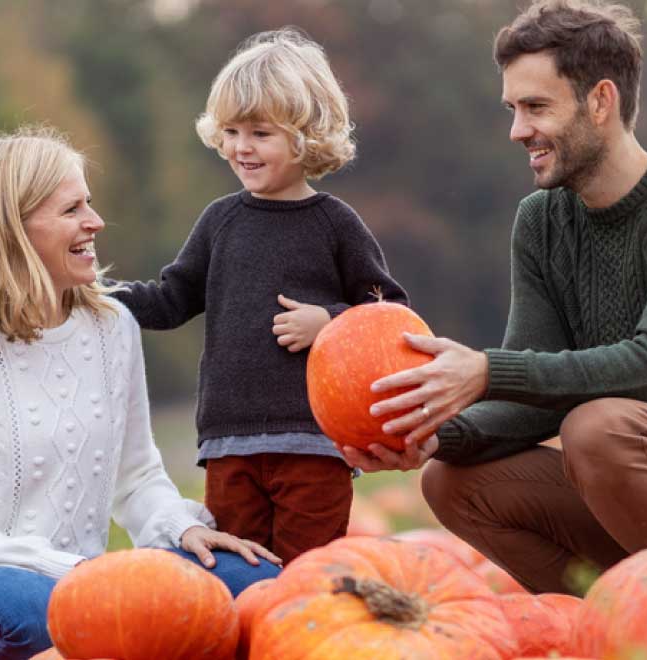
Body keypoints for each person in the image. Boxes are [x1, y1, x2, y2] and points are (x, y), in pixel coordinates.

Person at [343, 0, 647, 594]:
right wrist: (434, 439)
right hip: (645, 493)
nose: (517, 130)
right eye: (512, 109)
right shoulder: (541, 222)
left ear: (600, 102)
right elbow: (533, 403)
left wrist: (484, 370)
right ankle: (618, 623)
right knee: (451, 481)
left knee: (597, 428)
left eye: (536, 107)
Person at [0, 127, 281, 660]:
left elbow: (137, 478)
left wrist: (181, 528)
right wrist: (76, 573)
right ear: (12, 231)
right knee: (42, 609)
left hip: (76, 585)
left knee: (242, 583)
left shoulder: (113, 326)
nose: (94, 222)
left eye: (88, 204)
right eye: (72, 210)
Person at [111, 28, 408, 564]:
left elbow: (390, 314)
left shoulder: (335, 224)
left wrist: (331, 322)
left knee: (301, 577)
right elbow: (170, 298)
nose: (240, 147)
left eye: (260, 133)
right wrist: (100, 297)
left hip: (314, 444)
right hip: (228, 445)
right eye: (230, 131)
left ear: (307, 137)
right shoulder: (220, 221)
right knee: (237, 575)